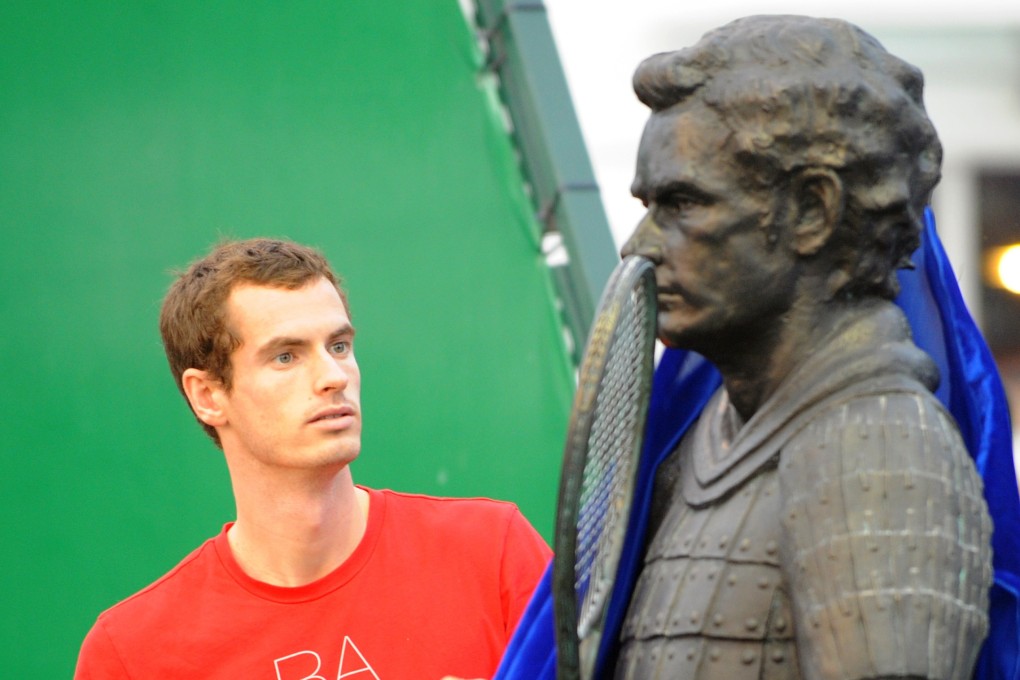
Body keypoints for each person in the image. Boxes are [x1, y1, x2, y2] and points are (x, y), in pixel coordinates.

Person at [496, 14, 1011, 680]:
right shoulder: (696, 448)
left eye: (683, 204)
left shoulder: (875, 448)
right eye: (650, 205)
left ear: (811, 212)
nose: (640, 245)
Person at [74, 238, 551, 679]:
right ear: (208, 396)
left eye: (339, 346)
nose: (333, 376)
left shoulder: (494, 553)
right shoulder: (131, 654)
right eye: (286, 356)